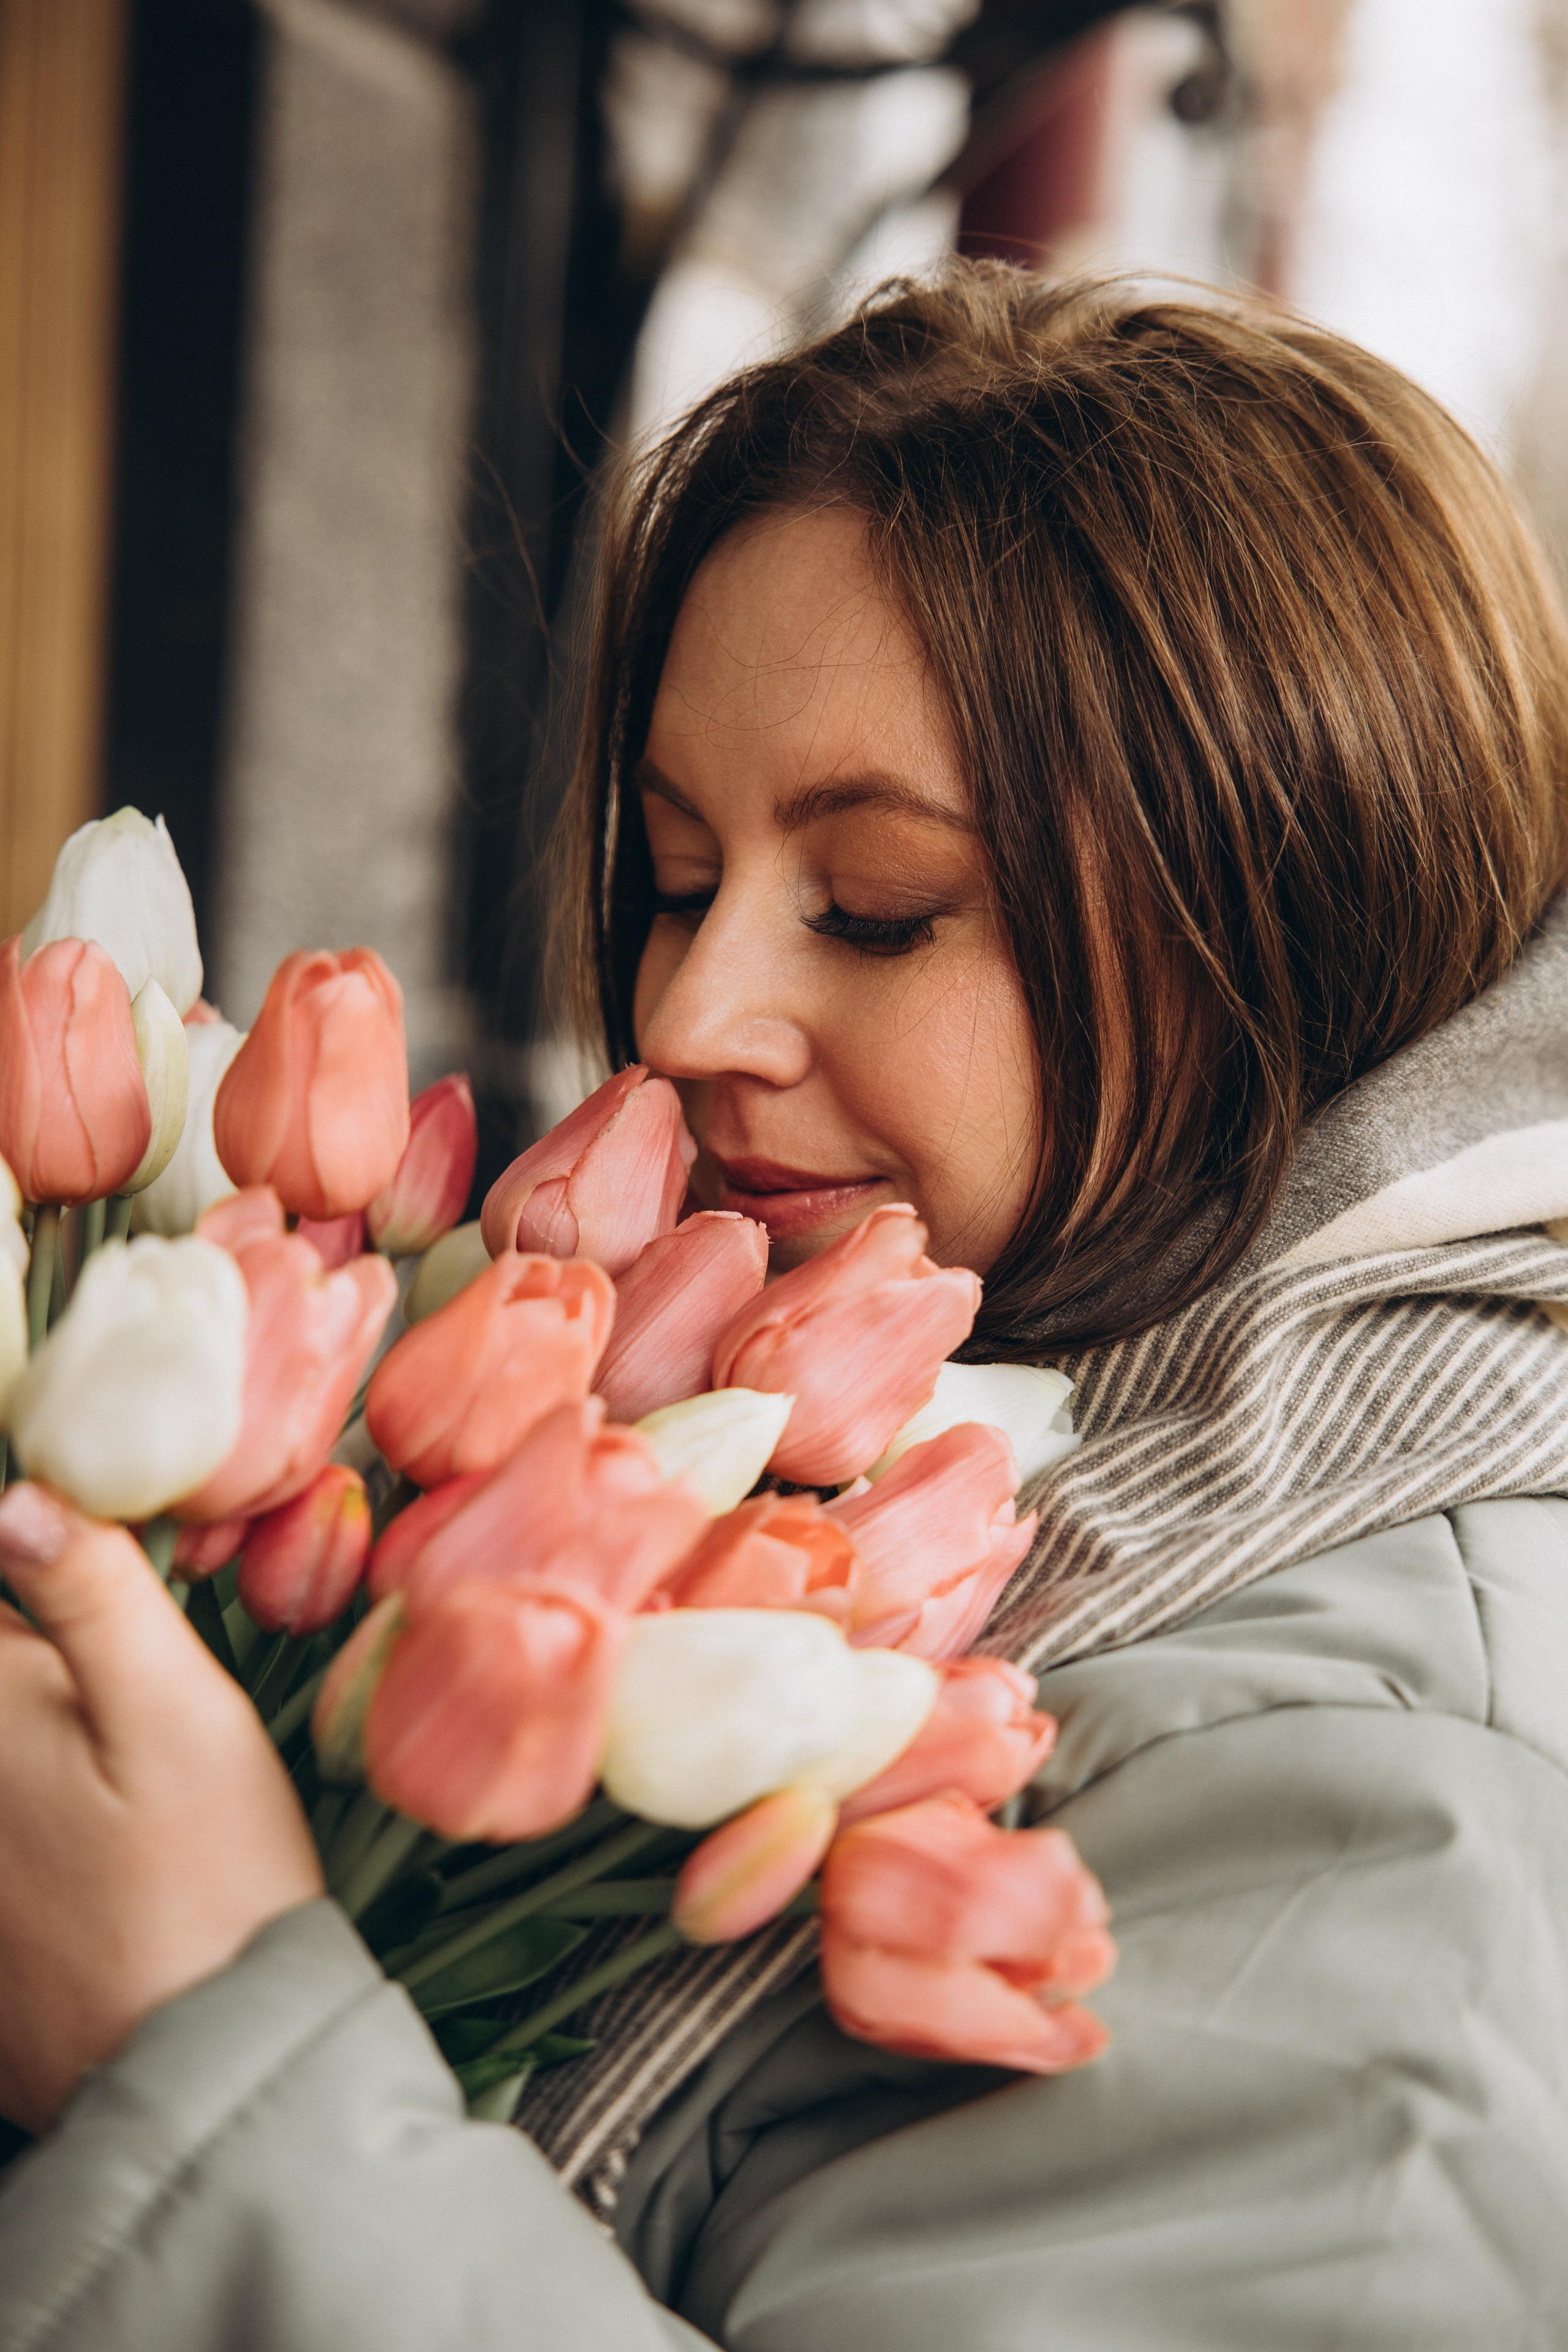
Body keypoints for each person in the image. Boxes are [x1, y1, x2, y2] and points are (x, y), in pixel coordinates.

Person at [4, 263, 1568, 2348]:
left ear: (1291, 914)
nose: (686, 1009)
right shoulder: (869, 1431)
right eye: (670, 874)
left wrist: (198, 2052)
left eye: (878, 909)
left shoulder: (1377, 1798)